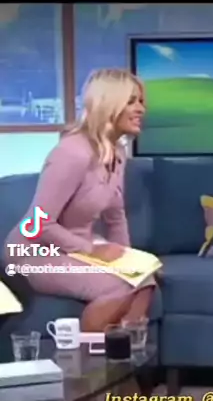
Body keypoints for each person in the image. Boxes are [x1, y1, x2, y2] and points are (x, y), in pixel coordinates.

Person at [3, 68, 158, 332]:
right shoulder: (72, 153)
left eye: (141, 101)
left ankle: (125, 352)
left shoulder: (116, 152)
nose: (141, 109)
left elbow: (115, 215)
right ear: (108, 104)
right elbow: (37, 224)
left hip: (74, 248)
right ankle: (87, 358)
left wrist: (129, 261)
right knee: (118, 287)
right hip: (33, 252)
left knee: (145, 280)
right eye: (131, 101)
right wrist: (91, 250)